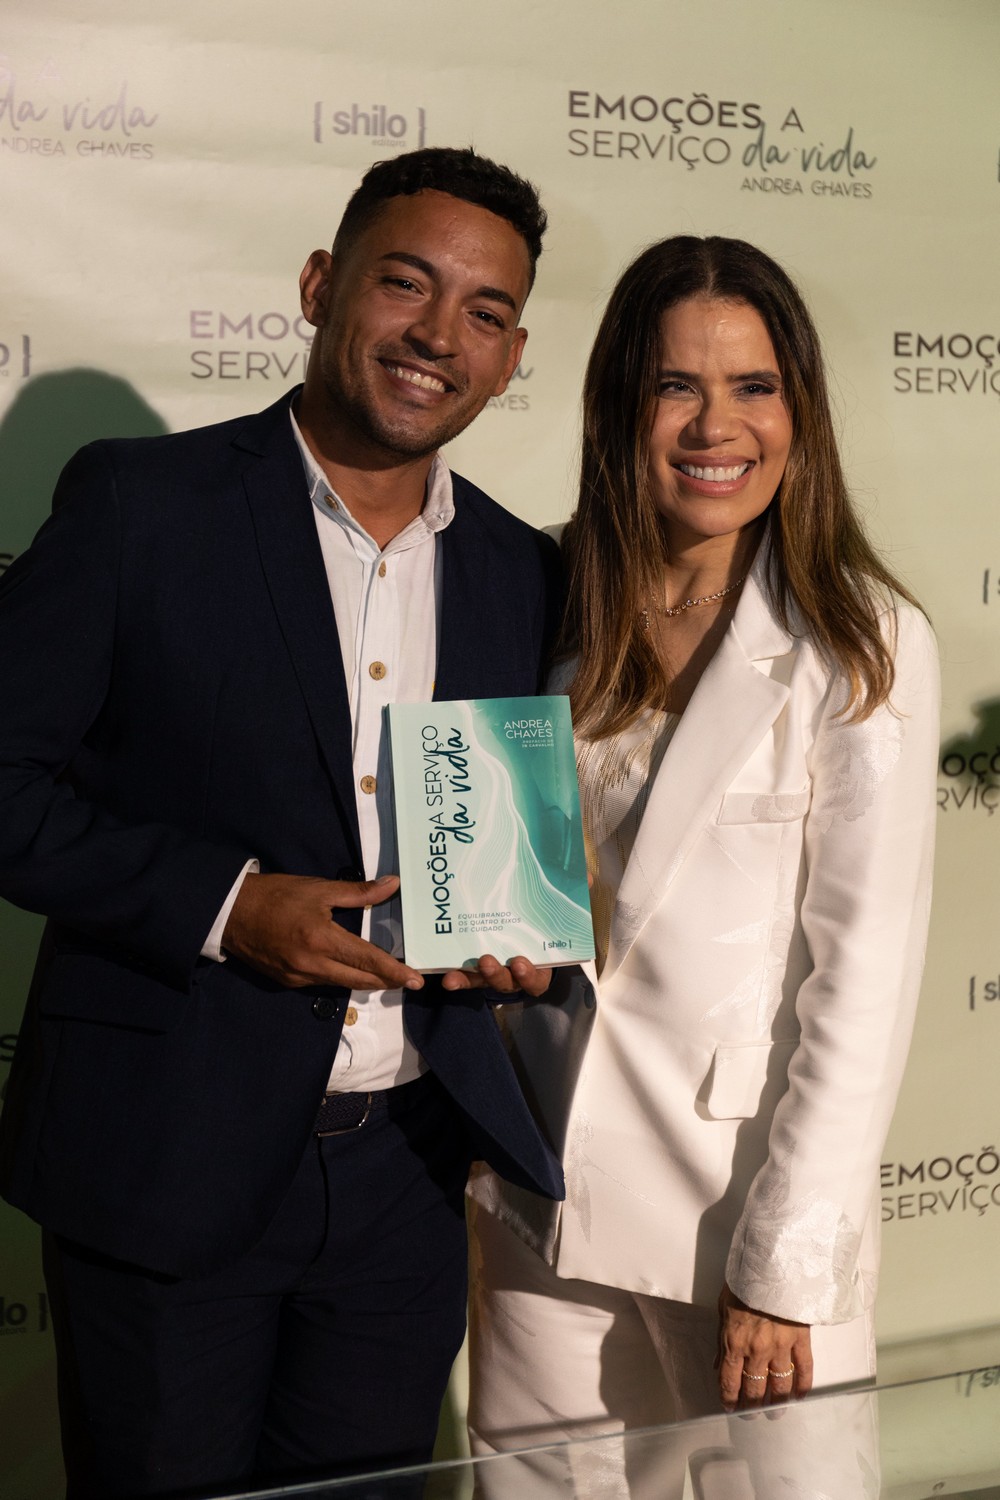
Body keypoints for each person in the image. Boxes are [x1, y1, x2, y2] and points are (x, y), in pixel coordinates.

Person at [0, 146, 565, 1499]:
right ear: (321, 286)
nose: (438, 335)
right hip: (166, 1157)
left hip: (409, 1177)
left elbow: (502, 844)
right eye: (405, 284)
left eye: (485, 313)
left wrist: (517, 949)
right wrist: (226, 905)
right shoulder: (140, 506)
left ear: (510, 358)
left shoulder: (524, 570)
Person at [468, 236, 939, 1464]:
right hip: (536, 1192)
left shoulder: (863, 641)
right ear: (618, 406)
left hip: (730, 1208)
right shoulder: (547, 599)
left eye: (753, 387)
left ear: (800, 411)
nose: (714, 426)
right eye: (675, 385)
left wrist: (785, 1260)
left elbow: (864, 980)